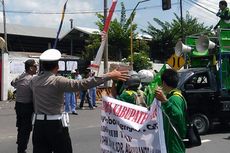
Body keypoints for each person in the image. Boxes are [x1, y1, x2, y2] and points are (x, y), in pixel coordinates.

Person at [30, 48, 128, 153]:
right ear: (57, 67)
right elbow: (82, 84)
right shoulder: (57, 80)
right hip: (55, 125)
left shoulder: (34, 80)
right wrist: (109, 75)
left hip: (38, 125)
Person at [155, 69, 187, 153]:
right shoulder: (171, 96)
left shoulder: (174, 98)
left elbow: (177, 114)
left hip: (174, 141)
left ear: (164, 83)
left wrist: (165, 101)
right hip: (172, 140)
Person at [11, 59, 38, 153]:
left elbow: (12, 83)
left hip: (18, 106)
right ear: (30, 68)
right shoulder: (32, 79)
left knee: (20, 127)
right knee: (26, 129)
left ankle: (20, 146)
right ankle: (22, 149)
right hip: (27, 106)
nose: (36, 68)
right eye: (35, 66)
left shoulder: (21, 77)